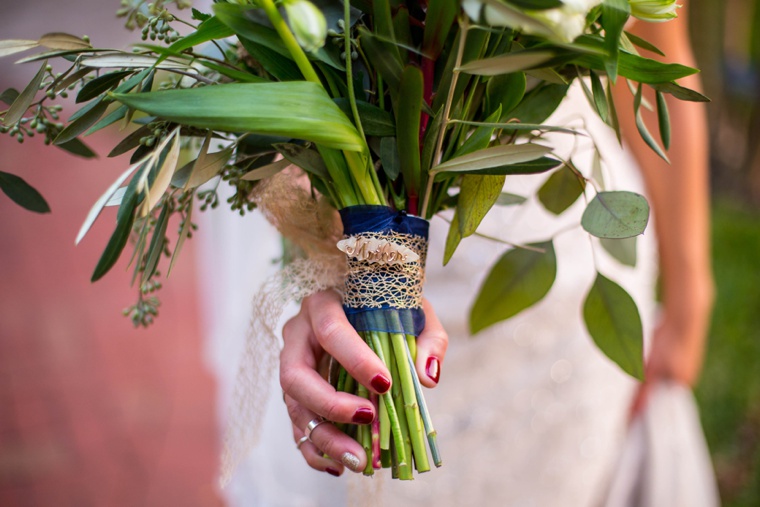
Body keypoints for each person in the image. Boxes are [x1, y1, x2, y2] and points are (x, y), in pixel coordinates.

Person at [276, 3, 714, 505]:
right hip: (380, 275)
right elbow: (289, 85)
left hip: (570, 278)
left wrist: (690, 296)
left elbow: (659, 48)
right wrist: (342, 269)